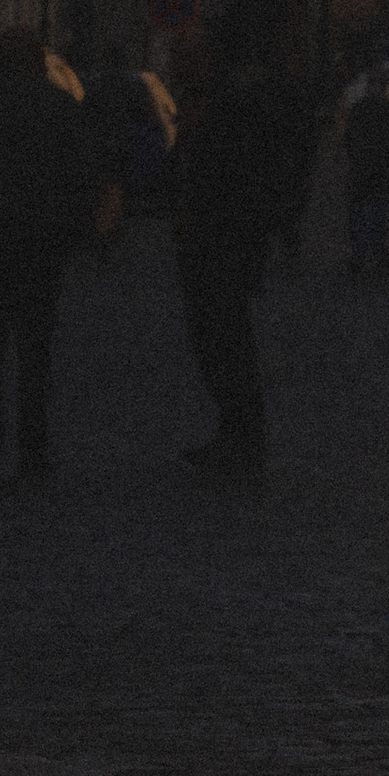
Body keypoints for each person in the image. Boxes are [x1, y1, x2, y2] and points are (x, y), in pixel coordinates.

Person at [0, 28, 100, 483]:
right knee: (35, 351)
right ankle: (33, 452)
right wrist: (79, 234)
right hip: (40, 245)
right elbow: (79, 175)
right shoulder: (59, 106)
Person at [170, 33, 290, 478]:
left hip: (224, 245)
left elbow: (242, 179)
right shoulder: (206, 108)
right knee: (213, 344)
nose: (176, 67)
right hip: (205, 244)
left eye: (185, 58)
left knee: (229, 345)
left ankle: (244, 439)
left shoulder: (231, 110)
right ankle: (232, 433)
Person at [341, 60, 389, 278]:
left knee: (358, 210)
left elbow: (348, 139)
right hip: (383, 166)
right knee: (379, 209)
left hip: (361, 165)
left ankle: (358, 254)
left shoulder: (357, 109)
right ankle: (377, 251)